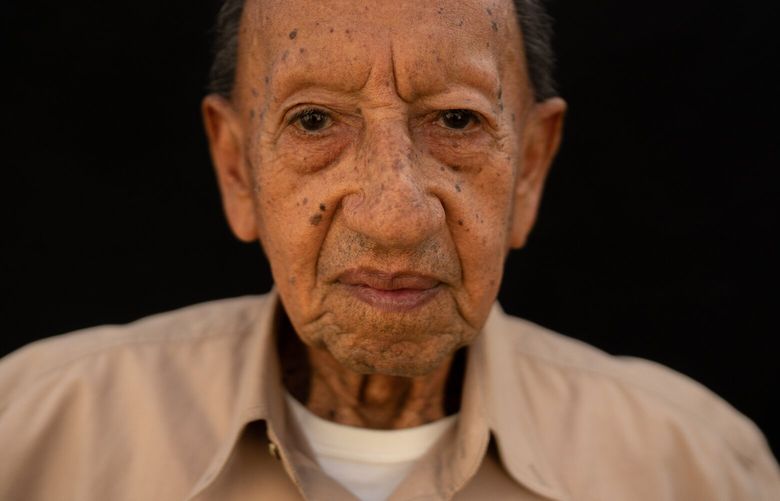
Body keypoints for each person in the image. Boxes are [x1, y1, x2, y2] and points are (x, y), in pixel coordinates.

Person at [1, 0, 778, 499]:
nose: (394, 216)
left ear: (531, 168)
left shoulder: (697, 467)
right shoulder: (31, 432)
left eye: (458, 122)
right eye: (313, 123)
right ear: (236, 167)